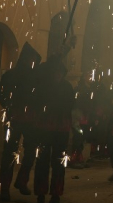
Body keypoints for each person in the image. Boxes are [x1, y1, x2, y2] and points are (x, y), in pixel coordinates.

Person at [0, 43, 40, 201]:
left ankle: (18, 182)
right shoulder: (14, 75)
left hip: (28, 120)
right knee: (11, 154)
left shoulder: (33, 76)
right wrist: (9, 106)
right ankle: (7, 189)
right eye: (32, 59)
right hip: (16, 119)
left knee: (27, 153)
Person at [31, 56, 74, 203]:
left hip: (61, 130)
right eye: (55, 73)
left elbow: (71, 107)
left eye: (60, 73)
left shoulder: (67, 87)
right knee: (42, 161)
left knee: (58, 162)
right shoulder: (43, 87)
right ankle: (40, 192)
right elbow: (36, 105)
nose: (58, 75)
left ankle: (56, 193)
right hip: (44, 129)